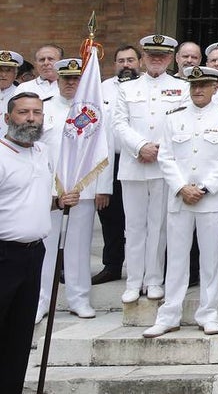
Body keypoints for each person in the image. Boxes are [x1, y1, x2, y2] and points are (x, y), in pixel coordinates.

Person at [143, 66, 218, 338]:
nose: (198, 90)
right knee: (175, 258)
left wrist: (205, 188)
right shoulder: (174, 118)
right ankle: (169, 314)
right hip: (180, 198)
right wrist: (182, 187)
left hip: (210, 200)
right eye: (193, 85)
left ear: (214, 88)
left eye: (204, 85)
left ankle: (208, 313)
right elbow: (166, 157)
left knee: (210, 260)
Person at [36, 57, 114, 322]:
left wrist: (103, 188)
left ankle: (79, 298)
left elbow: (105, 150)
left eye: (76, 79)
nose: (71, 83)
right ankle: (41, 300)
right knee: (44, 246)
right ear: (57, 80)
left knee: (79, 247)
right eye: (66, 78)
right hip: (49, 190)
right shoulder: (43, 109)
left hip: (83, 188)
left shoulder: (96, 109)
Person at [114, 34, 189, 303]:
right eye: (151, 55)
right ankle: (133, 281)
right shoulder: (127, 88)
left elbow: (183, 122)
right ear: (143, 58)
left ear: (170, 58)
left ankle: (154, 279)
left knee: (159, 227)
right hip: (133, 165)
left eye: (162, 56)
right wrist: (141, 146)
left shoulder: (182, 87)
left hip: (164, 166)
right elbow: (119, 124)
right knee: (133, 227)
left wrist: (158, 149)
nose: (156, 60)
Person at [0, 92, 56, 394]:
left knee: (19, 335)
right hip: (4, 255)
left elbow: (29, 198)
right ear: (8, 118)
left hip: (34, 254)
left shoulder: (41, 151)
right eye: (23, 113)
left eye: (37, 112)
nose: (31, 119)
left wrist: (59, 202)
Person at [92, 45, 140, 286]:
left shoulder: (145, 87)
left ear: (139, 62)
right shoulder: (102, 89)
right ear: (114, 64)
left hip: (140, 159)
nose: (126, 65)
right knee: (110, 215)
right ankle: (111, 265)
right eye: (121, 60)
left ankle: (140, 268)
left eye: (131, 60)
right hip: (111, 160)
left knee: (139, 217)